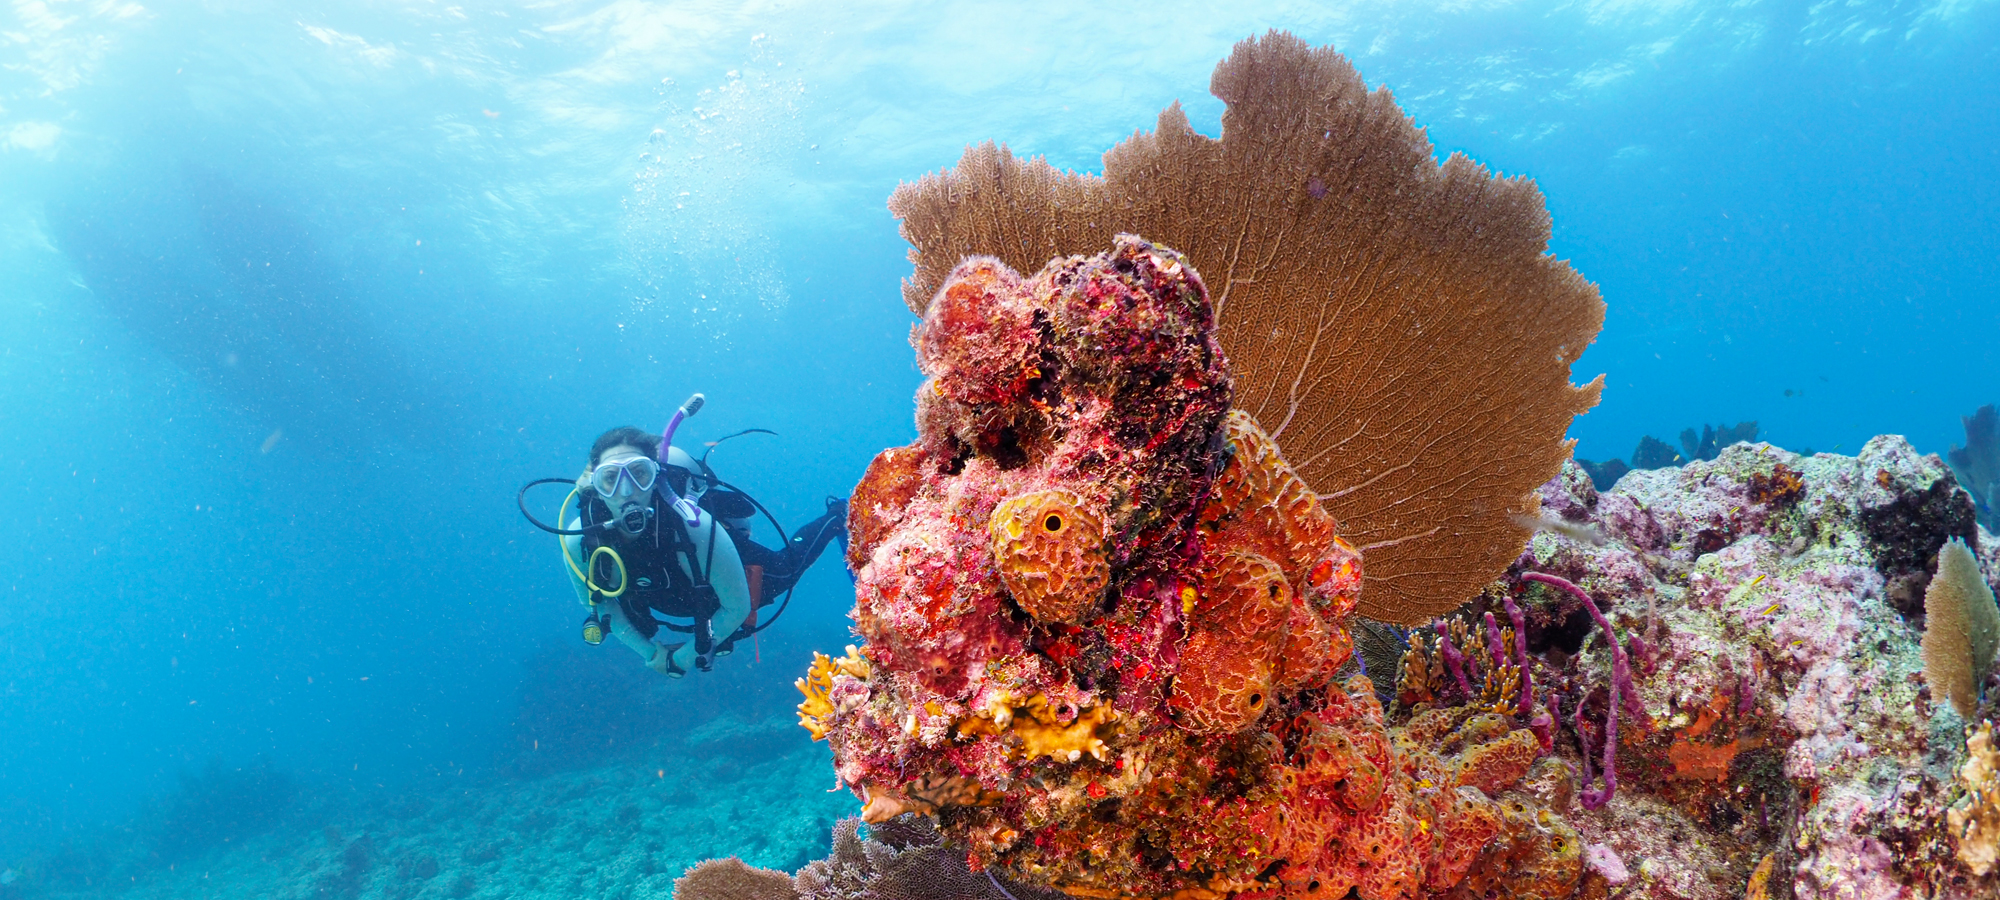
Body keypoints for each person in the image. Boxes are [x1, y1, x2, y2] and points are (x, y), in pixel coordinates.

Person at [562, 424, 847, 677]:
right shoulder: (579, 540)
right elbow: (600, 607)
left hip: (715, 581)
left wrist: (681, 659)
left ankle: (836, 516)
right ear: (595, 487)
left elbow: (738, 606)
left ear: (656, 476)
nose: (626, 492)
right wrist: (652, 654)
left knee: (786, 569)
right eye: (610, 479)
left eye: (639, 474)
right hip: (665, 595)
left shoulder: (694, 526)